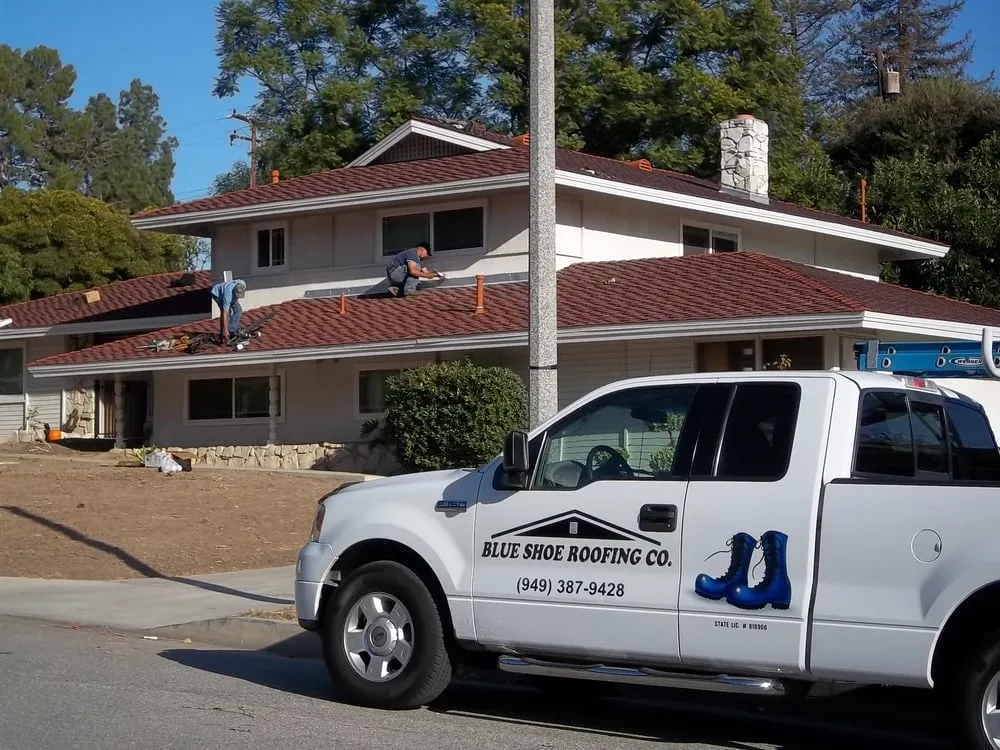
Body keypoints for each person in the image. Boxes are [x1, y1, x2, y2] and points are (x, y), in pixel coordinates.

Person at [211, 278, 246, 344]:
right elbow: (224, 314)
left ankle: (232, 329)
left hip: (228, 292)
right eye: (237, 296)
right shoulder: (227, 296)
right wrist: (225, 331)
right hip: (217, 293)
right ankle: (223, 334)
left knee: (238, 309)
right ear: (234, 292)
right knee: (227, 313)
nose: (237, 297)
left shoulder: (243, 284)